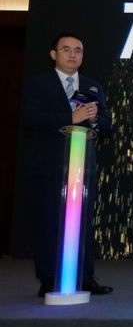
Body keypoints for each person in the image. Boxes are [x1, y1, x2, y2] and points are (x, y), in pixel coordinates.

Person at [22, 32, 113, 297]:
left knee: (82, 222)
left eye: (78, 50)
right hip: (50, 165)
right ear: (54, 54)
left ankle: (85, 277)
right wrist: (69, 117)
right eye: (66, 49)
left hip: (83, 166)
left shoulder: (92, 86)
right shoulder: (39, 84)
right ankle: (49, 278)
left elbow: (106, 123)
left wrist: (94, 119)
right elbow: (30, 119)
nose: (72, 55)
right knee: (49, 222)